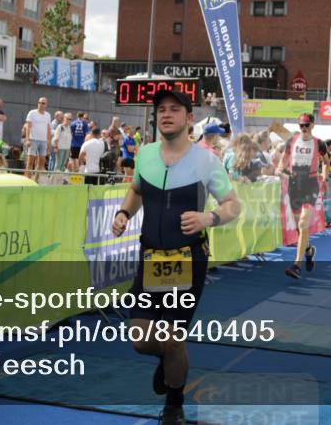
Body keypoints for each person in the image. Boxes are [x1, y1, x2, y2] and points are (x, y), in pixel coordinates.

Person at [111, 89, 241, 425]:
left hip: (188, 259)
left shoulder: (206, 160)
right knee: (141, 341)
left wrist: (208, 218)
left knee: (171, 338)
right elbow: (137, 189)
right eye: (161, 110)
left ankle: (174, 403)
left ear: (188, 118)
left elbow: (233, 205)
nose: (166, 115)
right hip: (150, 257)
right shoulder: (146, 154)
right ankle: (168, 361)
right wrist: (125, 213)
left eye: (174, 109)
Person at [278, 113, 329, 279]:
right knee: (299, 226)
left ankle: (296, 264)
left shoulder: (319, 143)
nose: (304, 129)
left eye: (307, 125)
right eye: (301, 126)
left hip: (311, 183)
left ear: (313, 125)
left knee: (303, 222)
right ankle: (308, 250)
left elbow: (327, 163)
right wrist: (281, 172)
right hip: (294, 184)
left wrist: (325, 179)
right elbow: (282, 162)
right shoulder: (291, 141)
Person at [23, 97, 52, 182]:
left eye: (43, 103)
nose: (41, 104)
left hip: (43, 141)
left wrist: (49, 142)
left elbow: (48, 129)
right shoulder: (32, 113)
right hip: (33, 139)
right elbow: (28, 126)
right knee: (30, 161)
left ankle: (36, 179)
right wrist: (28, 139)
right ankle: (27, 180)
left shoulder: (48, 115)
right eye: (39, 102)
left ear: (46, 105)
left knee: (41, 162)